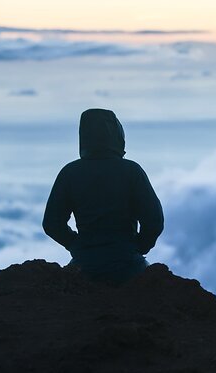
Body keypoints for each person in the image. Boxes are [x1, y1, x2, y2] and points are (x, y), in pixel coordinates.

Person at [43, 108, 164, 284]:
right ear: (117, 135)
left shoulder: (69, 173)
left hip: (85, 266)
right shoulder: (131, 171)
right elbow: (154, 221)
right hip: (129, 266)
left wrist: (78, 246)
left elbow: (51, 224)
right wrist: (137, 248)